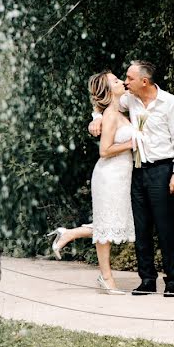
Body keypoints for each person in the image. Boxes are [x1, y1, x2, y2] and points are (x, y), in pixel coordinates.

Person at [88, 60, 174, 297]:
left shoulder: (171, 103)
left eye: (129, 78)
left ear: (144, 81)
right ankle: (147, 280)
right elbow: (105, 104)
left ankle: (172, 280)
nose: (125, 81)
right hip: (136, 170)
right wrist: (95, 118)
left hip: (162, 169)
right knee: (142, 229)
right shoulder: (129, 98)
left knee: (165, 227)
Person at [48, 71, 135, 295]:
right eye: (116, 81)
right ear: (108, 91)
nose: (122, 82)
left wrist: (96, 115)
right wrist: (132, 143)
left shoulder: (123, 108)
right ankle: (106, 278)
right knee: (106, 226)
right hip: (109, 175)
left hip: (123, 175)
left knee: (113, 222)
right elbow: (104, 151)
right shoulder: (110, 115)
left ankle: (69, 234)